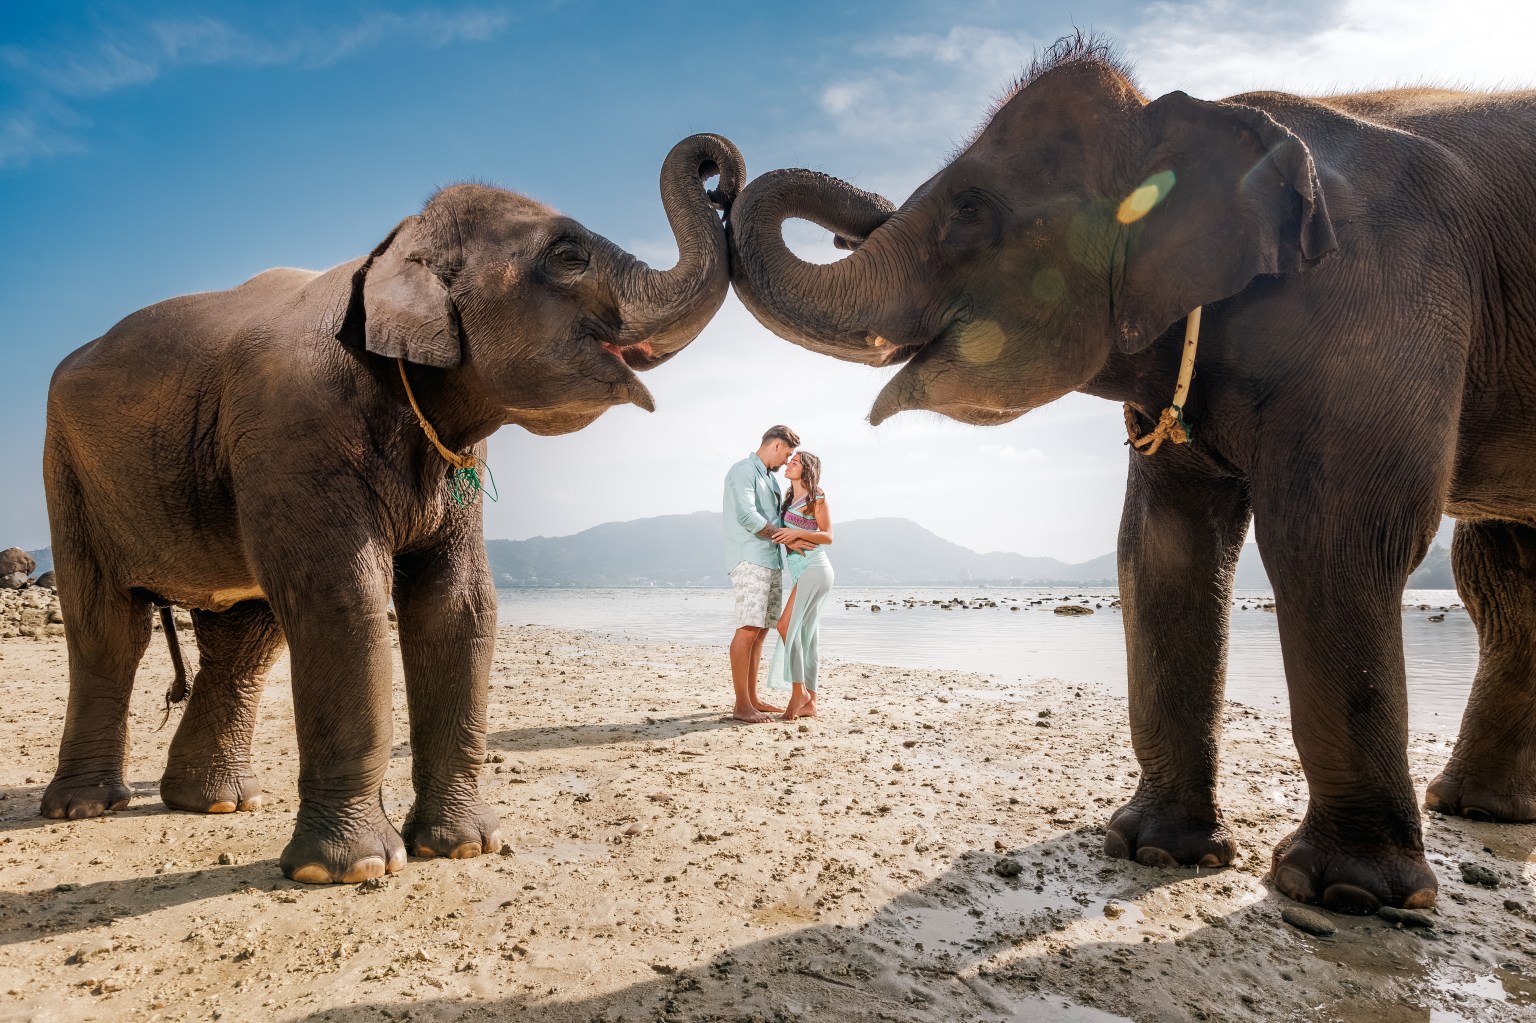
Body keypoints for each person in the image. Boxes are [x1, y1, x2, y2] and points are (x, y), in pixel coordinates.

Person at [722, 425, 801, 723]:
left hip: (771, 560)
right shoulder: (743, 470)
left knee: (761, 631)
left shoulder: (771, 480)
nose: (786, 461)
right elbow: (747, 516)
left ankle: (752, 698)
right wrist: (782, 536)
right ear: (777, 445)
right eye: (787, 454)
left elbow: (777, 519)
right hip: (749, 559)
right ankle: (741, 705)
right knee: (748, 628)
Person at [767, 451, 834, 720]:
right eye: (790, 460)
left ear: (806, 470)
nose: (789, 464)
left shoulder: (816, 496)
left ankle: (799, 693)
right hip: (800, 571)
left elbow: (828, 536)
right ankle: (811, 703)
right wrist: (790, 539)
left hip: (815, 567)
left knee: (785, 626)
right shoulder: (788, 499)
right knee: (807, 636)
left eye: (795, 462)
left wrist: (796, 533)